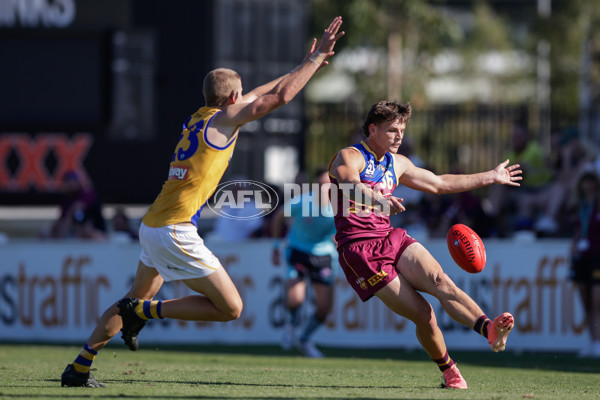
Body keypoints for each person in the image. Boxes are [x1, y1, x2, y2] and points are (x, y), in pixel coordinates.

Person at [60, 16, 345, 388]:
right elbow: (279, 97)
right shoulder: (225, 120)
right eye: (240, 95)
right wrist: (315, 58)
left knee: (133, 297)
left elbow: (261, 92)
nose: (245, 99)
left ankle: (79, 366)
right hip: (174, 229)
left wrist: (302, 66)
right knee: (230, 308)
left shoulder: (199, 117)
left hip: (154, 224)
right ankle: (145, 312)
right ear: (231, 99)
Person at [328, 101, 521, 389]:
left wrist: (490, 177)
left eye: (402, 130)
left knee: (441, 281)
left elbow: (439, 183)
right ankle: (450, 371)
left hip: (388, 236)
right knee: (424, 314)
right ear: (372, 129)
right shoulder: (351, 155)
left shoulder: (398, 162)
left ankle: (489, 328)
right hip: (360, 251)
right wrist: (380, 201)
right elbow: (349, 183)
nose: (399, 136)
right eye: (393, 130)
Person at [271, 167, 336, 358]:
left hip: (323, 257)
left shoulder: (339, 206)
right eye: (323, 184)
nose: (326, 188)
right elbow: (278, 217)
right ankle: (291, 323)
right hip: (298, 252)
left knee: (324, 309)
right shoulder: (303, 201)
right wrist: (276, 246)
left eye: (330, 185)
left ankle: (304, 338)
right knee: (295, 299)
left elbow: (342, 232)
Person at [568, 170, 600, 358]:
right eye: (585, 182)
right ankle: (592, 340)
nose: (588, 186)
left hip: (597, 257)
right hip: (581, 257)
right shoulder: (578, 206)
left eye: (591, 182)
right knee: (586, 301)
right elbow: (578, 230)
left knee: (597, 302)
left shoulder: (597, 206)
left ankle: (598, 341)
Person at [44, 170, 107, 241]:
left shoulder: (88, 193)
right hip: (77, 238)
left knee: (87, 230)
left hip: (98, 235)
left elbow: (76, 208)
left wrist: (62, 233)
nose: (70, 184)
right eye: (67, 181)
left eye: (73, 181)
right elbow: (61, 221)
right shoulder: (66, 202)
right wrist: (51, 234)